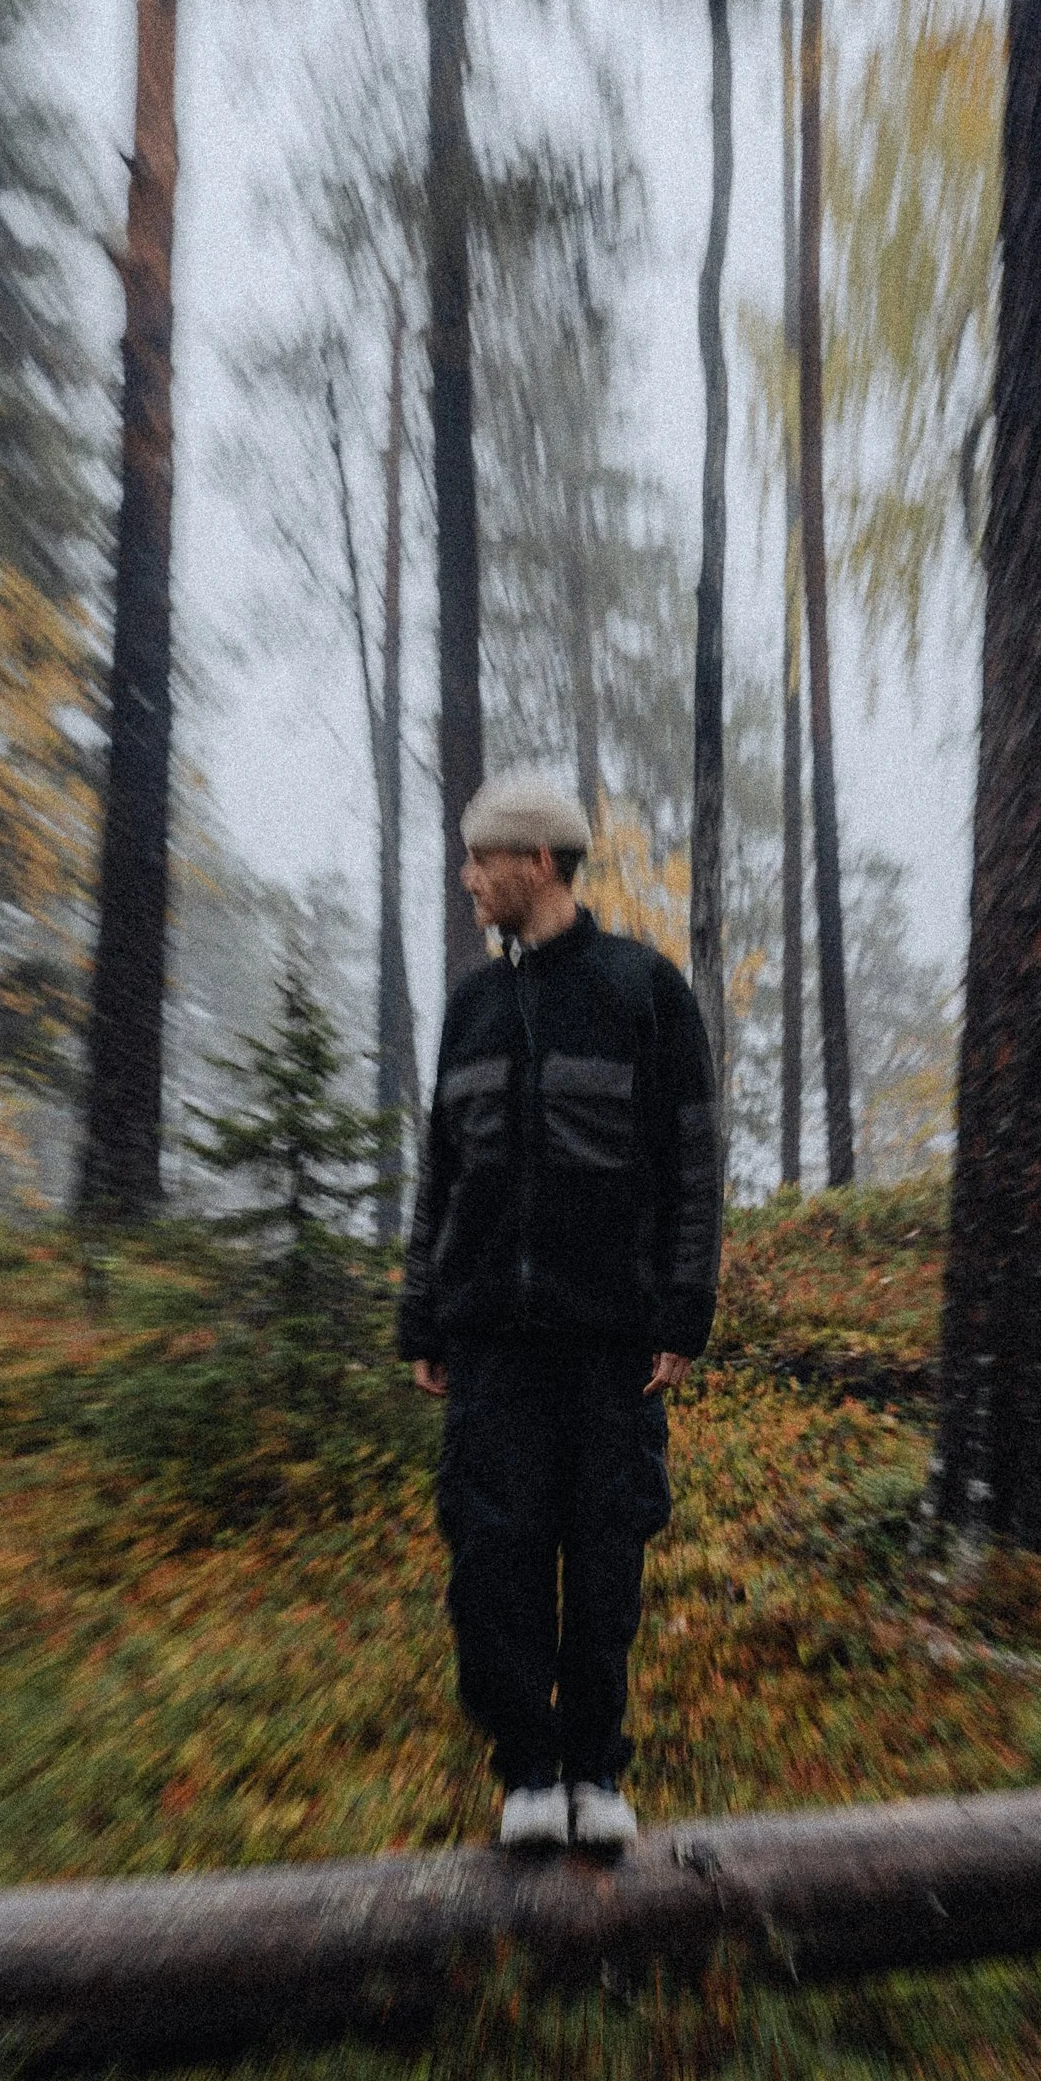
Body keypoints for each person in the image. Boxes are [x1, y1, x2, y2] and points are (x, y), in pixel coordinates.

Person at [398, 772, 722, 1851]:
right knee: (491, 1555)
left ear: (536, 861)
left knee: (603, 1558)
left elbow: (692, 1163)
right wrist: (423, 1315)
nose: (467, 878)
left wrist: (683, 1310)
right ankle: (527, 1773)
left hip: (609, 1341)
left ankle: (596, 1769)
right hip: (490, 1338)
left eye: (479, 860)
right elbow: (441, 1171)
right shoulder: (472, 1004)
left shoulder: (643, 990)